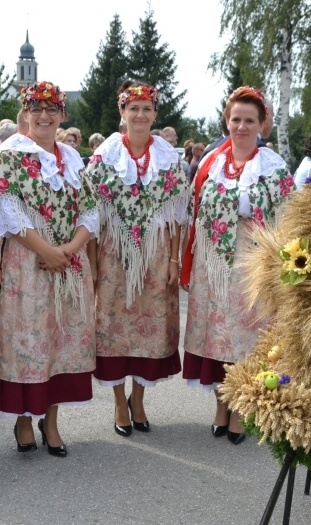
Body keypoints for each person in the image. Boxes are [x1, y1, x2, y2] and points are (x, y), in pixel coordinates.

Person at [0, 81, 97, 458]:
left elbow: (91, 209)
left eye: (52, 109)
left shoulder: (72, 158)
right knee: (30, 340)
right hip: (28, 261)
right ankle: (23, 417)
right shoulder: (10, 154)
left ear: (63, 115)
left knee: (62, 340)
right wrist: (46, 250)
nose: (45, 116)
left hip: (68, 261)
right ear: (26, 114)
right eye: (37, 109)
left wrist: (69, 248)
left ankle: (51, 419)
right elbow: (6, 210)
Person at [180, 86, 295, 444]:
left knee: (246, 339)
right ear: (226, 122)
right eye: (236, 119)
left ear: (262, 126)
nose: (241, 127)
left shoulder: (274, 168)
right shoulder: (210, 163)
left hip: (252, 263)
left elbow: (289, 219)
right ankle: (220, 406)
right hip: (213, 265)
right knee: (216, 339)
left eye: (249, 120)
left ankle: (242, 409)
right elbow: (194, 213)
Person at [82, 83, 188, 437]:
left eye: (147, 109)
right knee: (113, 325)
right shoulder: (104, 157)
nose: (140, 115)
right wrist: (94, 263)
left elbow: (176, 216)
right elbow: (92, 217)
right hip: (115, 253)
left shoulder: (170, 158)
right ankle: (117, 400)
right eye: (134, 108)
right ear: (122, 113)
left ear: (155, 115)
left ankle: (138, 398)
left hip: (156, 254)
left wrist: (174, 260)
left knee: (151, 327)